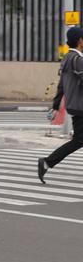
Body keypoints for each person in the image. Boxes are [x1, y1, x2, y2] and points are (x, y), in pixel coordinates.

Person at [40, 27, 83, 183]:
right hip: (80, 106)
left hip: (74, 105)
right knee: (79, 140)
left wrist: (56, 105)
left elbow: (61, 85)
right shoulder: (78, 59)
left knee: (79, 139)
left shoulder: (67, 58)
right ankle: (47, 162)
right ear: (80, 41)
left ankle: (47, 162)